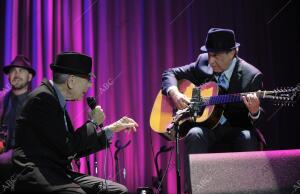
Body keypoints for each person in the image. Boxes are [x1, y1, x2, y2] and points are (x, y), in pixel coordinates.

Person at [12, 52, 138, 193]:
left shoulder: (55, 99)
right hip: (37, 173)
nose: (90, 85)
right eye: (88, 79)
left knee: (119, 191)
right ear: (71, 81)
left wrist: (112, 129)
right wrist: (93, 122)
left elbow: (72, 147)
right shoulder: (43, 99)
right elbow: (68, 147)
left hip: (58, 172)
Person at [161, 28, 265, 193]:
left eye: (216, 55)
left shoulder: (250, 76)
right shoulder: (202, 62)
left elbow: (261, 119)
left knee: (247, 137)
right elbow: (169, 73)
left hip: (236, 128)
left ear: (233, 52)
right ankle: (195, 190)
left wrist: (254, 111)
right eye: (209, 54)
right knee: (194, 133)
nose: (211, 61)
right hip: (207, 128)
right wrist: (175, 93)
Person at [0, 55, 35, 152]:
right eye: (13, 70)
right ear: (8, 76)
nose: (17, 74)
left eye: (21, 71)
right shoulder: (2, 102)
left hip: (25, 164)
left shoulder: (36, 105)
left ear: (29, 77)